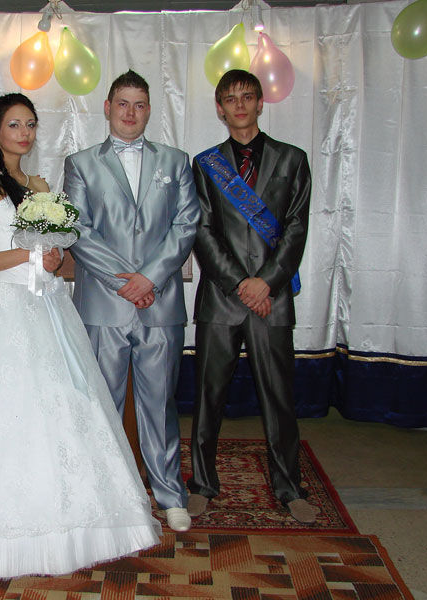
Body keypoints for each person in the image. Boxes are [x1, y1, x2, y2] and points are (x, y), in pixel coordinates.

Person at [0, 93, 161, 579]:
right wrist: (28, 254)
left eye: (31, 124)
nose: (24, 133)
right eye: (14, 125)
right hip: (6, 307)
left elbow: (57, 253)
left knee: (65, 408)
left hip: (49, 305)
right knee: (4, 414)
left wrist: (55, 258)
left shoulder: (40, 185)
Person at [63, 71, 200, 533]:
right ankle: (103, 494)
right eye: (122, 103)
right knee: (101, 403)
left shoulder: (176, 161)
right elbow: (78, 229)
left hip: (160, 303)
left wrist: (150, 278)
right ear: (107, 107)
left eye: (139, 104)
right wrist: (125, 281)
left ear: (149, 110)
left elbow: (186, 224)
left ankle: (170, 494)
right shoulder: (81, 163)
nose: (130, 112)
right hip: (104, 303)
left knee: (159, 403)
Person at [187, 70, 316, 523]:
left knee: (279, 398)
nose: (239, 105)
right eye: (230, 98)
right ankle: (202, 484)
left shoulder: (293, 159)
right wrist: (241, 283)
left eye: (247, 96)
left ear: (261, 103)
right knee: (208, 398)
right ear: (219, 108)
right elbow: (202, 230)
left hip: (271, 298)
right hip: (222, 298)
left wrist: (267, 283)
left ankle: (289, 487)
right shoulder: (205, 164)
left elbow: (297, 228)